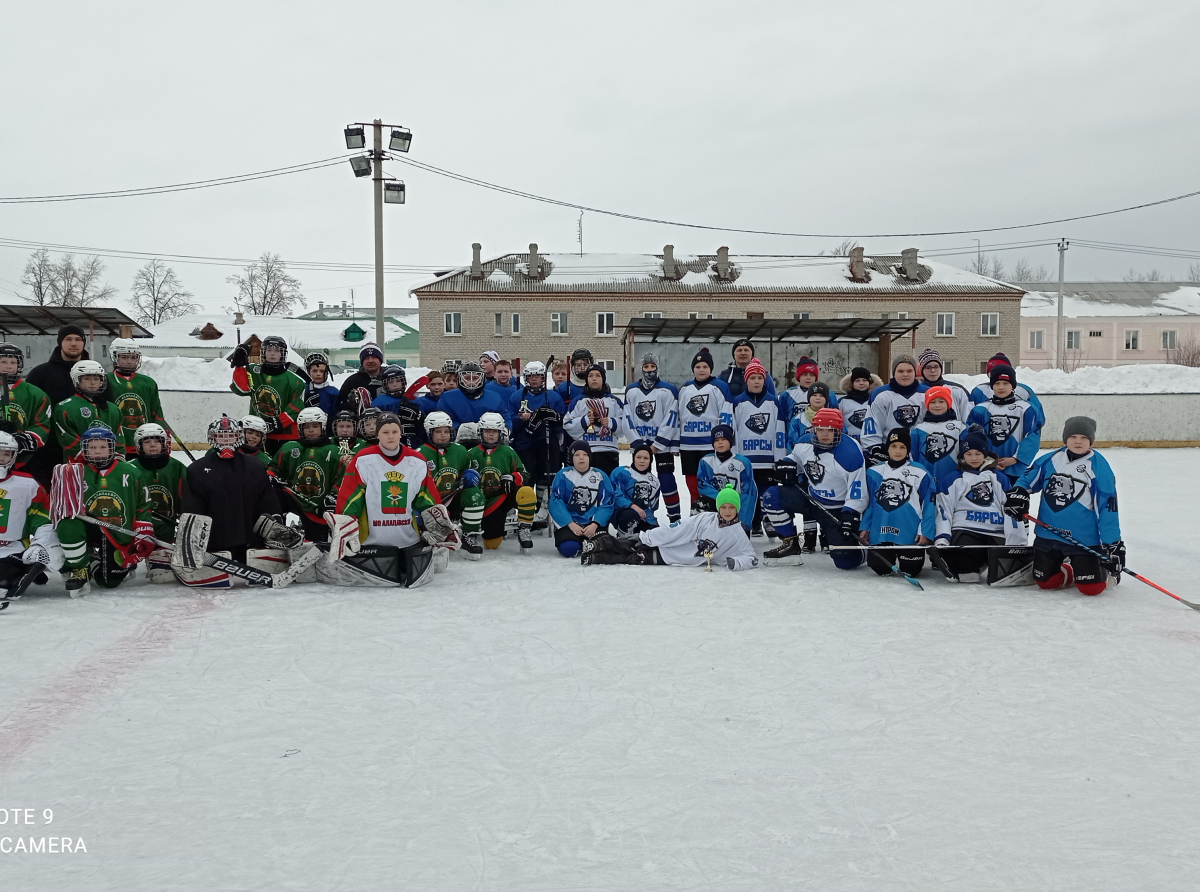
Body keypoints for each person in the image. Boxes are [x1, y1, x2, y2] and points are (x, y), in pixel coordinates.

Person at [1005, 416, 1123, 597]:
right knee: (1046, 582)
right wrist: (1019, 493)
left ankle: (1106, 574)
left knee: (1091, 589)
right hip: (1048, 534)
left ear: (1091, 440)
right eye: (1073, 436)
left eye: (1084, 438)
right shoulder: (1050, 459)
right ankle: (1071, 570)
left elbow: (1107, 507)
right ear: (1065, 438)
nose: (1078, 441)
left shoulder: (1099, 467)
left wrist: (1112, 543)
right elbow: (1027, 479)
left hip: (1082, 539)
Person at [176, 415, 287, 587]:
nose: (226, 441)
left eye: (231, 436)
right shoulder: (196, 470)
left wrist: (275, 523)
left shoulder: (255, 466)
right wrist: (192, 542)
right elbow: (192, 509)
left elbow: (267, 500)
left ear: (238, 437)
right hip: (215, 547)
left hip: (250, 544)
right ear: (212, 438)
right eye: (221, 436)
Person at [53, 425, 154, 594]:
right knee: (66, 524)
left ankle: (93, 559)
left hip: (118, 532)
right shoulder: (76, 473)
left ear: (112, 448)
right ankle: (79, 565)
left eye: (102, 447)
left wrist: (143, 529)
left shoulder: (130, 471)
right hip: (88, 527)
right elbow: (63, 509)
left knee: (108, 581)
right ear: (85, 450)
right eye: (92, 448)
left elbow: (143, 504)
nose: (97, 452)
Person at [762, 408, 867, 567]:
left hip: (837, 508)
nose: (824, 435)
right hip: (810, 497)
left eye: (830, 430)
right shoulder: (804, 442)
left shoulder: (850, 454)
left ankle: (864, 551)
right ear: (814, 429)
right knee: (771, 496)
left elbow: (858, 491)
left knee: (844, 561)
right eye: (820, 430)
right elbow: (795, 458)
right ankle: (790, 543)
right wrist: (787, 465)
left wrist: (850, 513)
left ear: (838, 431)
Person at [581, 484, 758, 570]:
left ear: (737, 509)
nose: (727, 511)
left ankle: (596, 557)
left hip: (675, 558)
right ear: (718, 507)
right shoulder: (705, 518)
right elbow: (678, 528)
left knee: (634, 558)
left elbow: (751, 556)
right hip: (664, 543)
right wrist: (647, 537)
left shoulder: (738, 533)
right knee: (630, 544)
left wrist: (738, 563)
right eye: (724, 507)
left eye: (732, 507)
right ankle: (598, 544)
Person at [336, 412, 443, 553]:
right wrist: (344, 528)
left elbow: (427, 498)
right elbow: (349, 498)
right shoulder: (362, 460)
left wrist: (440, 525)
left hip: (409, 541)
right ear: (377, 435)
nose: (390, 436)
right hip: (371, 543)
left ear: (400, 433)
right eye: (385, 432)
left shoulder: (417, 461)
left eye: (395, 431)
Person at [932, 427, 1026, 582]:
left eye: (978, 454)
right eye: (968, 454)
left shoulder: (1000, 478)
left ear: (985, 454)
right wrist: (942, 538)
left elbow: (1010, 510)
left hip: (996, 532)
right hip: (965, 530)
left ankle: (986, 562)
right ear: (962, 455)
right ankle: (970, 564)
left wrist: (1017, 543)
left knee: (1004, 569)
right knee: (966, 571)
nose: (973, 458)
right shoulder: (952, 480)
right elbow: (943, 511)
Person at [859, 429, 935, 579]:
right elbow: (869, 503)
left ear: (908, 449)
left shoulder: (920, 472)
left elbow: (929, 504)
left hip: (909, 533)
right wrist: (865, 527)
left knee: (912, 570)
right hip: (880, 531)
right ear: (887, 448)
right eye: (894, 446)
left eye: (902, 447)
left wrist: (924, 531)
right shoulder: (874, 471)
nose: (898, 451)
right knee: (880, 568)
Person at [0, 431, 63, 603]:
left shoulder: (27, 484)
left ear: (13, 457)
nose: (1, 458)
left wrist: (41, 544)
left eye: (6, 454)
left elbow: (42, 518)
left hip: (12, 550)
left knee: (3, 578)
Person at [267, 406, 344, 543]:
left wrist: (332, 497)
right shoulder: (290, 448)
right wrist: (272, 477)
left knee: (316, 546)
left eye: (315, 426)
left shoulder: (335, 451)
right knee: (274, 494)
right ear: (300, 429)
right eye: (306, 426)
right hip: (294, 504)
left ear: (323, 427)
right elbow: (274, 468)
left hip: (320, 508)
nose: (311, 430)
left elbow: (343, 478)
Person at [623, 352, 682, 524]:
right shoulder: (631, 390)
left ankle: (675, 517)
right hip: (640, 445)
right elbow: (627, 418)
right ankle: (645, 513)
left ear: (657, 367)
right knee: (641, 481)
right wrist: (639, 445)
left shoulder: (668, 390)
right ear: (641, 368)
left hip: (660, 445)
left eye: (652, 367)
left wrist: (656, 445)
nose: (649, 370)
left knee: (666, 478)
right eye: (646, 367)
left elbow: (671, 419)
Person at [465, 412, 537, 553]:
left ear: (501, 433)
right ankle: (473, 530)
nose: (491, 435)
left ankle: (524, 529)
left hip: (505, 496)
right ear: (480, 432)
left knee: (527, 492)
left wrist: (513, 477)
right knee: (492, 544)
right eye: (487, 431)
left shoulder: (508, 451)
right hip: (484, 502)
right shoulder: (471, 453)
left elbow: (525, 474)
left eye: (494, 432)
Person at [419, 410, 485, 559]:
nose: (443, 435)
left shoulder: (460, 450)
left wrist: (470, 475)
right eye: (438, 431)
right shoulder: (419, 453)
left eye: (446, 431)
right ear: (429, 432)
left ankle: (469, 536)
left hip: (453, 498)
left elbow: (465, 473)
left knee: (474, 494)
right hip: (430, 503)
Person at [508, 360, 566, 526]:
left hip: (547, 443)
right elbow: (510, 420)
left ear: (543, 378)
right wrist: (521, 419)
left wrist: (551, 418)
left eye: (538, 376)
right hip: (525, 444)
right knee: (527, 477)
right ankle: (527, 510)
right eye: (531, 376)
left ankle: (543, 509)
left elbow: (562, 420)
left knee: (546, 478)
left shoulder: (553, 397)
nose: (534, 379)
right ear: (526, 378)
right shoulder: (516, 396)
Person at [130, 422, 189, 583]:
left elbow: (188, 498)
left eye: (156, 441)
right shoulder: (130, 469)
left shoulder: (176, 467)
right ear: (139, 445)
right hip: (138, 529)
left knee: (162, 576)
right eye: (147, 442)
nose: (152, 446)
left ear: (164, 444)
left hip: (167, 527)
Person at [966, 364, 1042, 487]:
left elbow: (1032, 436)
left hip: (1015, 469)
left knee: (1012, 504)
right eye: (997, 383)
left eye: (1005, 383)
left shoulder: (1027, 409)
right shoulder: (980, 409)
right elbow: (973, 438)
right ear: (992, 386)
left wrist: (1015, 459)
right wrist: (988, 460)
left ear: (1013, 385)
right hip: (986, 467)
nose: (1001, 387)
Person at [673, 348, 734, 503]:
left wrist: (724, 440)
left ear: (711, 368)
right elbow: (678, 416)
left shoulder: (719, 386)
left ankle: (714, 511)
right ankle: (695, 510)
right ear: (693, 368)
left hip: (710, 444)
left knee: (712, 481)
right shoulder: (685, 388)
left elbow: (726, 414)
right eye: (698, 366)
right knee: (692, 482)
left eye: (705, 366)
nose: (701, 370)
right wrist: (675, 442)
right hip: (688, 445)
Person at [229, 335, 306, 454]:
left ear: (283, 354)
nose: (272, 354)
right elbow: (241, 389)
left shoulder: (295, 380)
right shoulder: (253, 371)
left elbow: (296, 406)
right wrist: (239, 367)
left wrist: (276, 423)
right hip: (256, 433)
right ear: (263, 352)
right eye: (269, 350)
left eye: (277, 351)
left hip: (285, 436)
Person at [730, 361, 782, 535]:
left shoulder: (774, 402)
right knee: (749, 491)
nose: (757, 381)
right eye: (753, 377)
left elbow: (779, 431)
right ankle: (754, 521)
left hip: (768, 459)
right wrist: (736, 456)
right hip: (747, 458)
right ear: (747, 380)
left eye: (760, 377)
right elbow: (734, 431)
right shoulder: (738, 402)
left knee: (768, 492)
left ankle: (769, 520)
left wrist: (779, 457)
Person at [548, 440, 614, 558]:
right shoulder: (563, 475)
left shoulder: (600, 476)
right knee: (569, 549)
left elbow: (607, 502)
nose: (581, 458)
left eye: (585, 454)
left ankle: (589, 542)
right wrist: (570, 523)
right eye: (577, 455)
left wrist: (595, 523)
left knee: (606, 546)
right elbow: (556, 501)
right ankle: (580, 543)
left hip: (593, 524)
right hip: (570, 524)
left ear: (590, 457)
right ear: (571, 458)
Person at [0, 342, 53, 481]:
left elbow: (42, 423)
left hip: (25, 460)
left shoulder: (35, 394)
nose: (9, 366)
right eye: (3, 361)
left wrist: (23, 440)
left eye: (13, 362)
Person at [106, 338, 166, 458]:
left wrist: (162, 436)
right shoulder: (105, 380)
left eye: (133, 357)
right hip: (116, 443)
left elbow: (156, 412)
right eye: (124, 357)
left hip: (145, 443)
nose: (129, 361)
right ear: (114, 357)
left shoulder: (148, 382)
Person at [860, 355, 926, 463]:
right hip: (890, 453)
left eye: (909, 371)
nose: (905, 374)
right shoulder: (881, 394)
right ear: (894, 373)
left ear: (915, 372)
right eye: (900, 371)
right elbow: (872, 425)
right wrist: (874, 448)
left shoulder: (926, 394)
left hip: (920, 453)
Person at [53, 360, 121, 462]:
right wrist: (92, 458)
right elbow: (68, 441)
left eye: (96, 378)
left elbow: (119, 439)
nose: (92, 382)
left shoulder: (113, 409)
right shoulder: (64, 408)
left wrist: (115, 459)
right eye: (87, 378)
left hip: (109, 465)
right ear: (77, 380)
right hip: (78, 466)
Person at [563, 364, 625, 475]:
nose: (594, 378)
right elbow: (567, 424)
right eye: (590, 376)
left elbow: (626, 425)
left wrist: (611, 423)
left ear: (603, 379)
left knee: (606, 487)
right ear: (586, 379)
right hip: (586, 452)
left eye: (598, 375)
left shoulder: (614, 401)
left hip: (609, 452)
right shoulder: (579, 401)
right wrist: (585, 421)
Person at [695, 424, 757, 531]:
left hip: (736, 505)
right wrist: (722, 498)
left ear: (731, 441)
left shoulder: (742, 463)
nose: (720, 442)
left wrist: (744, 521)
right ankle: (701, 534)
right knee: (699, 504)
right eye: (717, 440)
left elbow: (749, 492)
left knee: (738, 541)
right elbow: (702, 485)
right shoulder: (706, 461)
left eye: (723, 439)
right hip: (715, 503)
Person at [910, 385, 967, 494]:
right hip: (926, 483)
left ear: (949, 403)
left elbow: (967, 456)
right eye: (933, 402)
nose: (937, 405)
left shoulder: (961, 427)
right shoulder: (918, 429)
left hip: (954, 483)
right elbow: (914, 457)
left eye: (941, 401)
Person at [971, 352, 1046, 427]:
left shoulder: (1024, 390)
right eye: (991, 372)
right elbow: (972, 416)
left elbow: (1038, 417)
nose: (1001, 387)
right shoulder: (979, 391)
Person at [439, 361, 513, 431]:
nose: (471, 381)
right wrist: (463, 428)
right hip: (458, 440)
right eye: (467, 378)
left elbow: (505, 418)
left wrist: (507, 429)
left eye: (475, 378)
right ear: (460, 379)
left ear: (482, 379)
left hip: (489, 439)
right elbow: (443, 421)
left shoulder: (495, 397)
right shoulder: (447, 397)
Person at [609, 439, 661, 538]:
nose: (642, 461)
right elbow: (614, 497)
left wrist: (652, 525)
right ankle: (623, 538)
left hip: (643, 517)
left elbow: (651, 507)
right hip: (622, 514)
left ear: (650, 460)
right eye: (638, 457)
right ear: (633, 458)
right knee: (630, 515)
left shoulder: (655, 481)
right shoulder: (621, 472)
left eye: (646, 458)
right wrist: (632, 506)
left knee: (658, 535)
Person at [27, 324, 88, 405]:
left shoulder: (95, 373)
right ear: (60, 342)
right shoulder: (39, 373)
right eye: (68, 339)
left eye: (78, 339)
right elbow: (30, 405)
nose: (73, 344)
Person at [371, 366, 424, 448]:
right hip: (389, 437)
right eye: (391, 382)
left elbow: (421, 422)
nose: (395, 384)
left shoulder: (414, 400)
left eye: (398, 381)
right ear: (385, 384)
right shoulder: (380, 401)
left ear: (403, 381)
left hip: (411, 436)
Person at [779, 355, 837, 424]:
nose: (808, 378)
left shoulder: (828, 393)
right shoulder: (787, 394)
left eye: (812, 375)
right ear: (798, 376)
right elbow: (781, 418)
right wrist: (781, 433)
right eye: (805, 374)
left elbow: (835, 417)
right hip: (794, 433)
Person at [917, 348, 972, 420]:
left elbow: (967, 416)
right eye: (928, 367)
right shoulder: (916, 392)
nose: (933, 370)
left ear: (941, 368)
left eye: (936, 367)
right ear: (922, 370)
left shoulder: (957, 390)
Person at [837, 366, 883, 443]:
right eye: (857, 380)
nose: (861, 383)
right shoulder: (842, 402)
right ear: (852, 383)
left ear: (870, 382)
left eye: (864, 380)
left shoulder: (876, 400)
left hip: (873, 442)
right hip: (849, 442)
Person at [785, 380, 834, 450]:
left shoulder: (834, 417)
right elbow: (791, 442)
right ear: (809, 398)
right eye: (814, 395)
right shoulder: (798, 419)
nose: (818, 398)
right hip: (803, 457)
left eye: (821, 396)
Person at [337, 342, 387, 409]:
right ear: (362, 361)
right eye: (366, 358)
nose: (370, 361)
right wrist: (352, 407)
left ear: (380, 360)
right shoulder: (352, 381)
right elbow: (339, 405)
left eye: (374, 357)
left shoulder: (389, 379)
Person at [302, 351, 340, 417]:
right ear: (308, 372)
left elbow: (337, 415)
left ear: (326, 372)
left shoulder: (333, 392)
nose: (318, 374)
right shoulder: (302, 390)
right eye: (314, 371)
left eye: (322, 371)